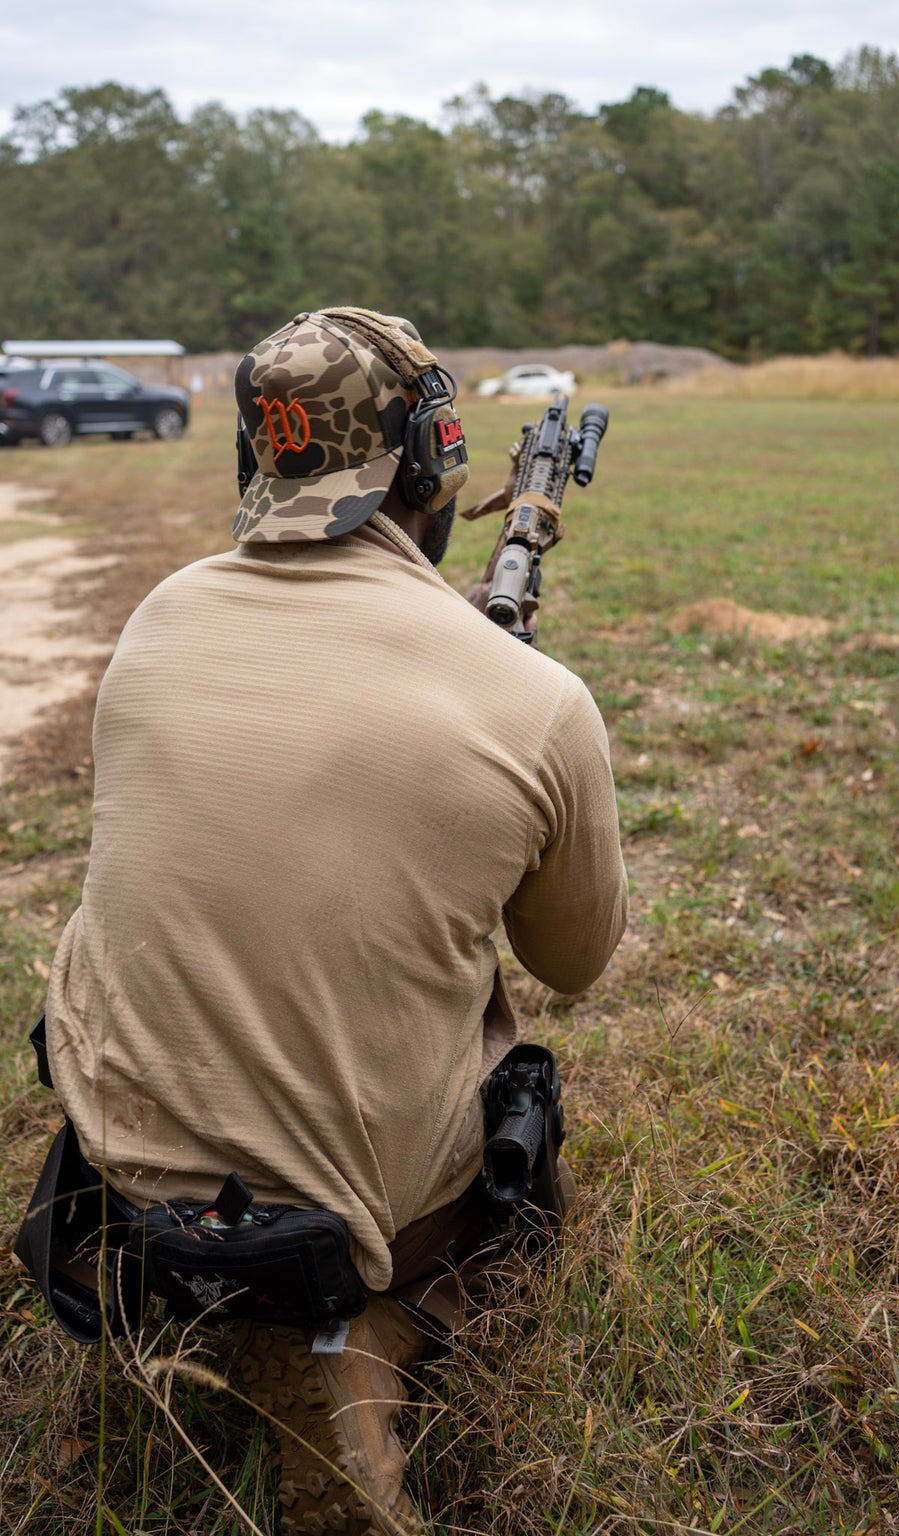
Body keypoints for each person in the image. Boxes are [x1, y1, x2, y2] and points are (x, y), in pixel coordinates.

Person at [36, 308, 628, 1534]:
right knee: (499, 1038)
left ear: (259, 459)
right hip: (354, 1227)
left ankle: (180, 1281)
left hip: (123, 1177)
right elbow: (572, 962)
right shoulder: (532, 700)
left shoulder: (153, 626)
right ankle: (366, 1329)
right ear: (432, 459)